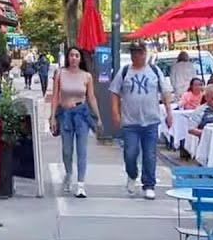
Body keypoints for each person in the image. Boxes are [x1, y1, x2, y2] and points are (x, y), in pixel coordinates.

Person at [110, 41, 172, 200]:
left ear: (145, 53)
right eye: (133, 52)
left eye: (139, 52)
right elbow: (114, 92)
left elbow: (165, 92)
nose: (136, 55)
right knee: (130, 153)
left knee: (150, 154)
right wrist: (115, 113)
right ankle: (132, 175)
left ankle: (149, 184)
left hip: (151, 121)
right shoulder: (124, 72)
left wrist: (169, 113)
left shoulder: (154, 71)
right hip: (131, 122)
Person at [50, 47, 102, 198]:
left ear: (80, 59)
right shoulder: (60, 73)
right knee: (67, 150)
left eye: (77, 55)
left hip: (81, 114)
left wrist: (98, 118)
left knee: (82, 150)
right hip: (65, 114)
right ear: (67, 57)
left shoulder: (86, 76)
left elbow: (91, 97)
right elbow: (55, 96)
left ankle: (80, 184)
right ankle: (68, 173)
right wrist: (52, 116)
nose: (74, 58)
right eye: (71, 55)